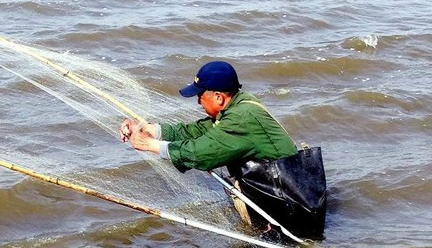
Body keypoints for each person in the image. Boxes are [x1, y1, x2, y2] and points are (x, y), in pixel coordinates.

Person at [120, 60, 328, 238]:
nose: (198, 102)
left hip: (290, 212)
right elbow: (199, 131)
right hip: (284, 200)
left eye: (200, 96)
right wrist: (152, 130)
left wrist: (152, 146)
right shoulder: (241, 105)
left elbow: (200, 153)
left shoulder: (241, 119)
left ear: (219, 97)